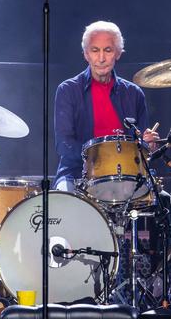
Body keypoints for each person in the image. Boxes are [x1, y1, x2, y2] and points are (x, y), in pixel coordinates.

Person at [53, 20, 159, 191]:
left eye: (108, 50)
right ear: (86, 54)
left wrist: (148, 145)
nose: (101, 58)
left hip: (126, 173)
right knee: (64, 197)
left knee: (164, 201)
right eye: (95, 50)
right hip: (76, 174)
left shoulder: (134, 93)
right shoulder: (68, 90)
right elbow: (63, 144)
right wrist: (99, 158)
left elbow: (142, 147)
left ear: (118, 53)